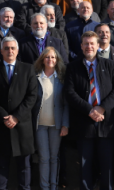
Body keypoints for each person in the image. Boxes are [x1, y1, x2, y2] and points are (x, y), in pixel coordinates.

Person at [64, 31, 114, 190]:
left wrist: (102, 108)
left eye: (92, 43)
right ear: (81, 46)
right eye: (86, 44)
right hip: (83, 122)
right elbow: (69, 93)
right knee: (85, 164)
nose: (89, 46)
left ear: (98, 46)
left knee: (106, 163)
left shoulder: (109, 65)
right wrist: (90, 110)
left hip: (106, 122)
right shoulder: (72, 67)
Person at [0, 37, 38, 190]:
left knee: (24, 166)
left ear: (17, 50)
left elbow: (32, 96)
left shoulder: (28, 69)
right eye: (6, 48)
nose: (10, 51)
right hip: (1, 126)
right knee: (1, 165)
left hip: (22, 126)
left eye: (13, 48)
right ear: (1, 51)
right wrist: (4, 117)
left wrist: (16, 117)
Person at [32, 47, 69, 190]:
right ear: (42, 59)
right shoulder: (35, 77)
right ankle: (44, 186)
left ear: (57, 60)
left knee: (54, 158)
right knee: (43, 158)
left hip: (56, 125)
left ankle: (54, 186)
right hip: (40, 124)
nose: (50, 60)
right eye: (47, 57)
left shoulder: (61, 79)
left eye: (53, 57)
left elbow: (66, 104)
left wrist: (65, 124)